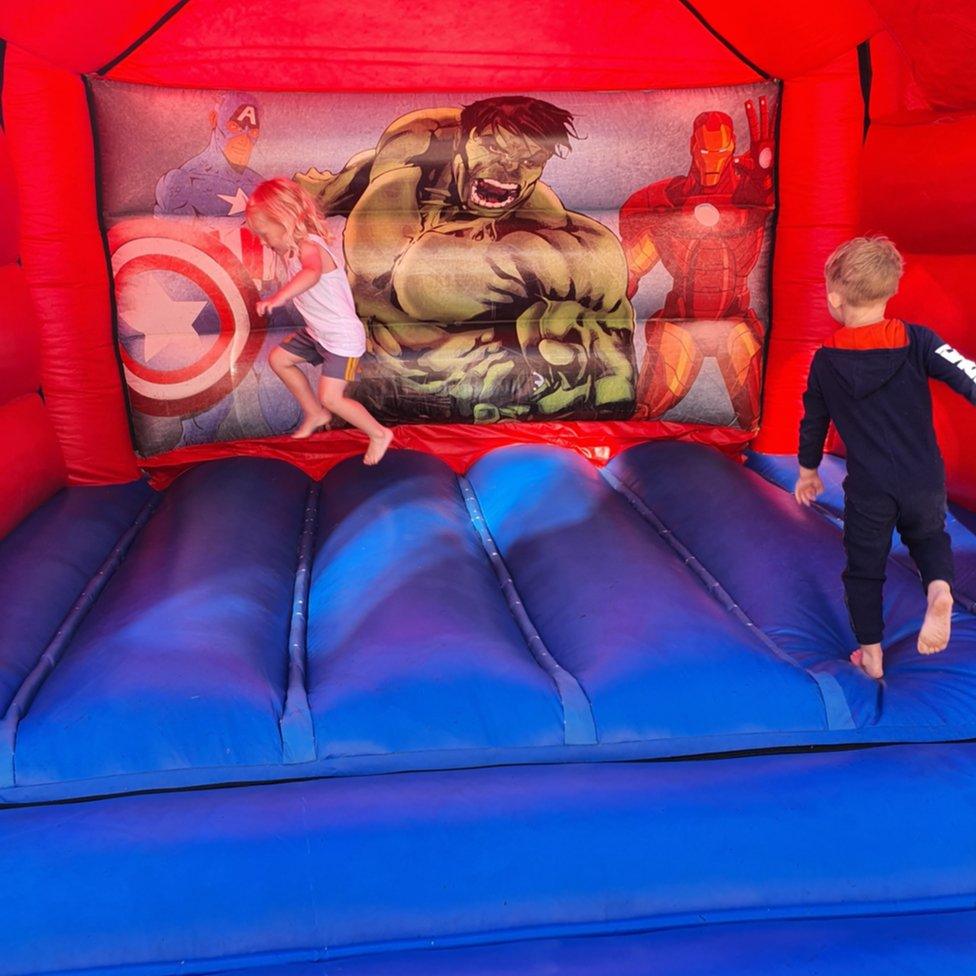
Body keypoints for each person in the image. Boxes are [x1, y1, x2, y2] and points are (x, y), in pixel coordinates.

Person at [794, 236, 976, 679]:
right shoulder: (918, 341)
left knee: (864, 567)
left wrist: (808, 470)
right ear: (891, 290)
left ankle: (871, 655)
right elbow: (968, 373)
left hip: (870, 485)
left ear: (834, 298)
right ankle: (937, 590)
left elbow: (813, 421)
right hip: (924, 474)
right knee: (930, 537)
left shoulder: (826, 361)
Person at [245, 178, 393, 464]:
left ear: (286, 220)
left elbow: (311, 273)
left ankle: (378, 434)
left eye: (264, 234)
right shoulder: (289, 251)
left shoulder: (309, 247)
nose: (263, 242)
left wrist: (279, 298)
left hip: (344, 341)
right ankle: (314, 413)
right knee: (279, 360)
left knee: (333, 398)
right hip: (318, 334)